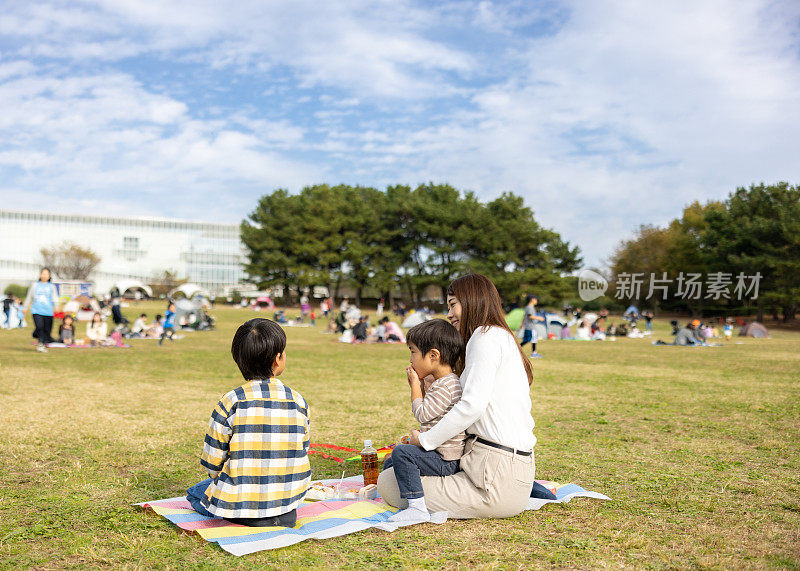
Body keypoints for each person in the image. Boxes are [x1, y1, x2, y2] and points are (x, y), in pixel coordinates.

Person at [377, 273, 536, 519]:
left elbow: (470, 407)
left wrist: (426, 440)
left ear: (473, 301)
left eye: (453, 305)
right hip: (507, 468)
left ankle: (418, 511)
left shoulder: (484, 338)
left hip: (492, 477)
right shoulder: (501, 337)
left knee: (388, 482)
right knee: (395, 466)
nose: (449, 314)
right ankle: (526, 490)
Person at [186, 318, 310, 527]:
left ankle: (236, 513)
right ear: (278, 359)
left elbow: (212, 460)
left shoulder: (231, 401)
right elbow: (303, 448)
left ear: (239, 360)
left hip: (239, 505)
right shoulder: (298, 400)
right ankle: (273, 516)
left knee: (195, 492)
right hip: (288, 503)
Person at [383, 319, 466, 522]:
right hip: (434, 452)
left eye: (413, 352)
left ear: (433, 355)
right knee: (389, 463)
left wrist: (415, 386)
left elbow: (421, 413)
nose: (410, 358)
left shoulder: (447, 386)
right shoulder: (441, 382)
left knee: (402, 453)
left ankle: (417, 508)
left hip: (444, 460)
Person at [23, 268, 60, 352]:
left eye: (46, 274)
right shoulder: (34, 285)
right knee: (40, 326)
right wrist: (25, 308)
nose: (44, 275)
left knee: (47, 329)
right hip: (36, 310)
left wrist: (57, 306)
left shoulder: (51, 286)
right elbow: (29, 297)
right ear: (40, 275)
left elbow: (55, 297)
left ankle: (35, 334)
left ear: (49, 276)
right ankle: (41, 344)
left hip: (48, 311)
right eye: (43, 273)